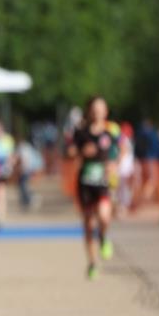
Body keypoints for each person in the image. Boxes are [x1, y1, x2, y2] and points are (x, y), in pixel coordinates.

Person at [68, 96, 118, 280]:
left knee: (104, 217)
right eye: (95, 108)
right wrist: (81, 152)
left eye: (101, 108)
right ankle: (92, 262)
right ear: (89, 111)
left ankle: (104, 237)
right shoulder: (81, 133)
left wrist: (113, 167)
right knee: (89, 224)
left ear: (106, 111)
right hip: (86, 183)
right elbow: (70, 153)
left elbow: (117, 154)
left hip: (103, 182)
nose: (98, 111)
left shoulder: (111, 133)